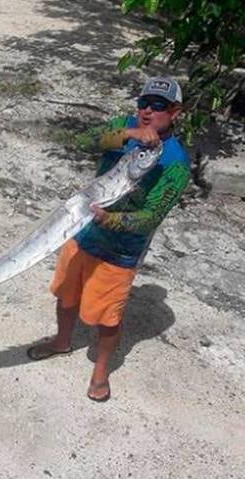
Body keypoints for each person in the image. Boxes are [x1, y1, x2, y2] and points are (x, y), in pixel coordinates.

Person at [26, 77, 191, 402]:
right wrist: (128, 134)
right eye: (143, 103)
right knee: (66, 294)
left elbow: (150, 218)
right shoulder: (125, 125)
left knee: (107, 318)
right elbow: (83, 140)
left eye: (158, 106)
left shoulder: (176, 164)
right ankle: (62, 341)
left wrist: (111, 219)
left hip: (119, 253)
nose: (147, 111)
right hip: (81, 232)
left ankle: (100, 373)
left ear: (175, 112)